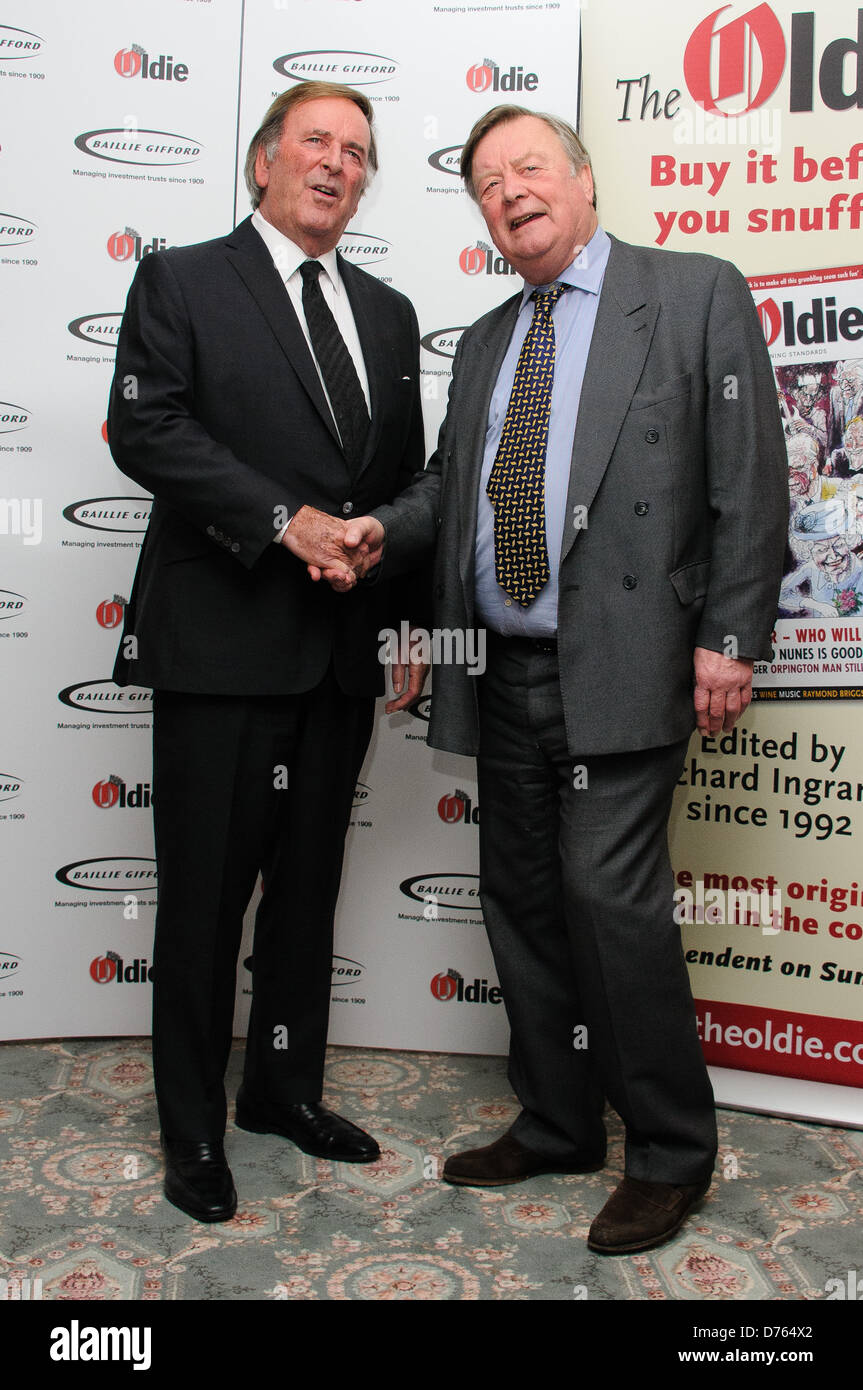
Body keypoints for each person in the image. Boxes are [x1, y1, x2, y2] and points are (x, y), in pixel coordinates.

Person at [342, 105, 789, 1254]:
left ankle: (669, 1151)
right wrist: (371, 540)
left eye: (527, 166)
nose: (509, 191)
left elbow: (746, 479)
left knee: (610, 903)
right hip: (497, 667)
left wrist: (730, 636)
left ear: (582, 180)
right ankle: (554, 1118)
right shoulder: (487, 340)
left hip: (629, 664)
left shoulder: (691, 293)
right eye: (485, 182)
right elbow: (449, 496)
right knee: (522, 902)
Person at [107, 82, 425, 1222]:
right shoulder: (182, 278)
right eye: (315, 143)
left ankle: (278, 1091)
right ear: (262, 162)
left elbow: (403, 491)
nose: (336, 164)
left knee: (303, 898)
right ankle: (191, 1128)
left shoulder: (388, 314)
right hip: (220, 652)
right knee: (203, 905)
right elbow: (147, 424)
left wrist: (405, 622)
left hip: (338, 656)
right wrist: (276, 518)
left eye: (357, 151)